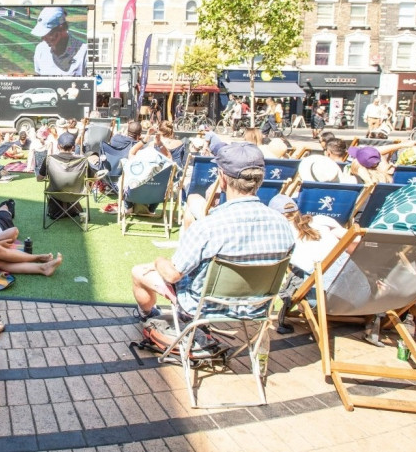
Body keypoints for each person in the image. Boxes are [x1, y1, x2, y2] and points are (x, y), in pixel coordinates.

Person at [131, 142, 295, 322]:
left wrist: (158, 261)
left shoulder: (208, 226)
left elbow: (172, 275)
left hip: (202, 308)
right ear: (260, 179)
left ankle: (148, 316)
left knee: (139, 272)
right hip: (256, 308)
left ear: (222, 178)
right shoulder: (283, 224)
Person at [267, 194, 350, 334]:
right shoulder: (321, 221)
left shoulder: (281, 235)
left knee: (300, 277)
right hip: (356, 293)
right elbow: (355, 239)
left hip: (323, 299)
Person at [30, 7, 87, 76]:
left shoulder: (84, 52)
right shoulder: (40, 49)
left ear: (62, 29)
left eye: (48, 34)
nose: (43, 38)